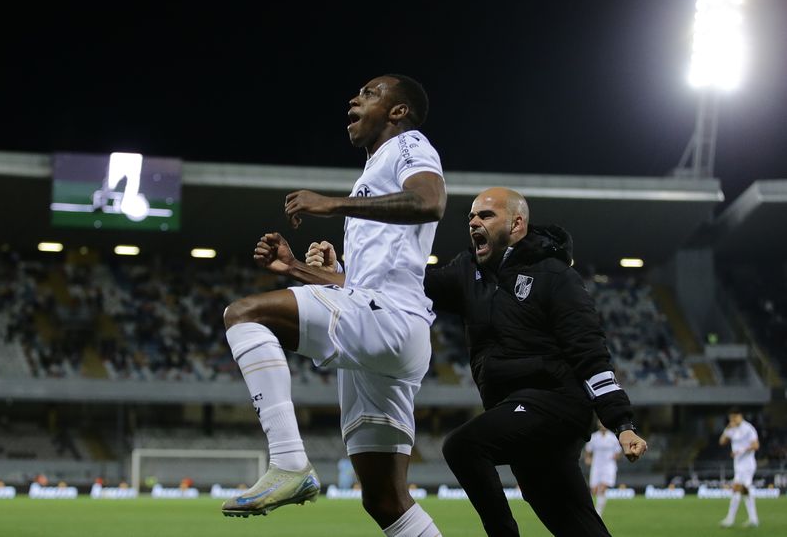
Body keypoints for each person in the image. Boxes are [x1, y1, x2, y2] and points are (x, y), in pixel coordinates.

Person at [307, 187, 648, 537]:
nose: (473, 222)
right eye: (471, 216)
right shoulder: (468, 271)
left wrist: (621, 423)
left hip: (556, 403)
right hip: (515, 412)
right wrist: (342, 270)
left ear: (517, 224)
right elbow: (403, 290)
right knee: (574, 524)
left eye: (485, 215)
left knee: (464, 446)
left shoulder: (555, 275)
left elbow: (589, 351)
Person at [221, 74, 446, 537]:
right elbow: (365, 284)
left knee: (244, 314)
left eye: (369, 93)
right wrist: (298, 269)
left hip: (391, 320)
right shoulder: (371, 178)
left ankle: (288, 461)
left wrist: (330, 204)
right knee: (385, 500)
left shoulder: (409, 145)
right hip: (388, 331)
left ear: (397, 111)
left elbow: (430, 201)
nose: (354, 98)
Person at [719, 407, 760, 528]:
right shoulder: (732, 429)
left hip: (747, 464)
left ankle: (730, 519)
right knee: (745, 491)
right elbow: (722, 442)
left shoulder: (748, 428)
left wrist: (741, 451)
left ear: (740, 416)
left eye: (734, 417)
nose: (733, 420)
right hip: (738, 465)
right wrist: (727, 428)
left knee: (737, 490)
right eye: (731, 418)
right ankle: (753, 519)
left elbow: (756, 445)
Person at [584, 422, 622, 517]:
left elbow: (618, 452)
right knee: (594, 490)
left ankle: (598, 513)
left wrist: (615, 456)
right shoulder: (594, 437)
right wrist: (588, 459)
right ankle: (592, 512)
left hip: (609, 465)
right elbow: (588, 451)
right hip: (596, 465)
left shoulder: (613, 438)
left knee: (603, 488)